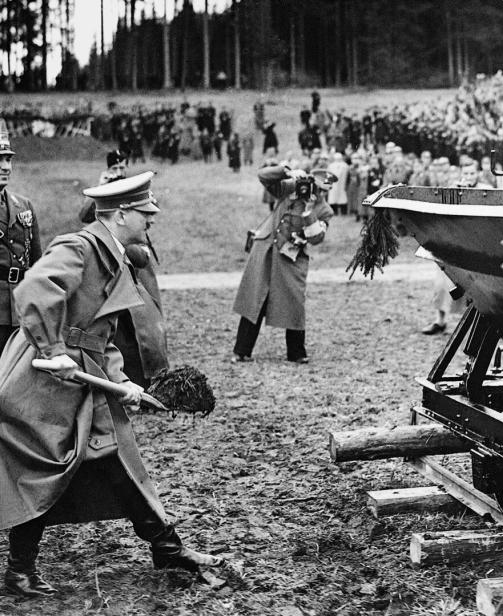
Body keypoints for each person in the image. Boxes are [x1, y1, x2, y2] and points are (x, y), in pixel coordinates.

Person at [0, 172, 222, 598]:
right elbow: (33, 289)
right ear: (121, 214)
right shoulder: (79, 247)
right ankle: (20, 569)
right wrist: (50, 350)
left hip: (83, 371)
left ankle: (167, 547)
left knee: (116, 457)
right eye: (144, 213)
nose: (150, 220)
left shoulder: (114, 254)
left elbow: (101, 336)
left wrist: (121, 383)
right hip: (44, 379)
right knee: (42, 468)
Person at [79, 152, 168, 389]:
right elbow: (86, 214)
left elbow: (150, 210)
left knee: (150, 319)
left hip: (139, 260)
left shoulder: (135, 188)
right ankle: (131, 378)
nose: (120, 170)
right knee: (125, 325)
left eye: (122, 166)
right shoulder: (106, 190)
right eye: (115, 167)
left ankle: (153, 375)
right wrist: (103, 184)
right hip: (117, 260)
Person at [232, 166, 335, 363]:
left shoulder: (324, 210)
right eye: (314, 186)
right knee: (256, 298)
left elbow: (316, 238)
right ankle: (241, 350)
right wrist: (286, 171)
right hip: (266, 253)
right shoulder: (289, 189)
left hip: (291, 259)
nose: (315, 192)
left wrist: (308, 212)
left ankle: (296, 353)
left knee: (294, 302)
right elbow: (263, 176)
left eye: (322, 190)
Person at [0, 118, 42, 353]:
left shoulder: (24, 205)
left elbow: (37, 263)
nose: (6, 166)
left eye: (8, 159)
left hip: (20, 310)